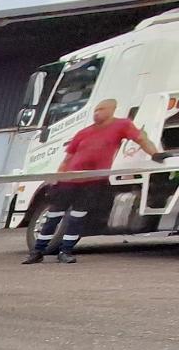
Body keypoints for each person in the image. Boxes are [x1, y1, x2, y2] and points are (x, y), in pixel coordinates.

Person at [25, 98, 169, 263]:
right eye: (95, 110)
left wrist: (155, 154)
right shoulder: (83, 132)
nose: (96, 113)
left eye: (101, 109)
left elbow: (141, 138)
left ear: (112, 110)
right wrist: (58, 178)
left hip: (92, 182)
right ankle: (37, 252)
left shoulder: (121, 125)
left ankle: (65, 251)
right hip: (68, 181)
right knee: (53, 216)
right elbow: (67, 159)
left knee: (78, 217)